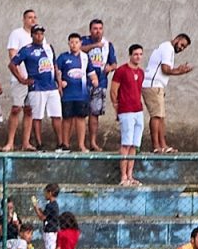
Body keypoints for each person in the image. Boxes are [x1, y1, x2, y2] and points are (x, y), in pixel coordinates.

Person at [11, 24, 64, 151]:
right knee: (37, 116)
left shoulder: (49, 47)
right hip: (37, 87)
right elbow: (12, 64)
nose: (39, 36)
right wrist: (21, 79)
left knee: (56, 115)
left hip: (51, 86)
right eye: (36, 33)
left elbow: (54, 66)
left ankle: (61, 143)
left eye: (41, 33)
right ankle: (39, 143)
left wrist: (59, 83)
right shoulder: (26, 49)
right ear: (32, 35)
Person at [4, 10, 50, 152]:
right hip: (21, 78)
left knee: (29, 110)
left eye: (35, 17)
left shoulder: (41, 39)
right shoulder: (17, 34)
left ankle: (26, 142)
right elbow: (13, 55)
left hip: (34, 81)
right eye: (30, 17)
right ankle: (10, 142)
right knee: (16, 108)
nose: (33, 20)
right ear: (24, 19)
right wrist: (20, 76)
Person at [143, 34, 193, 154]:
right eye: (182, 45)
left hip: (158, 85)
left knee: (161, 117)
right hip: (153, 85)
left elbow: (166, 70)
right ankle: (156, 146)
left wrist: (179, 71)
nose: (181, 48)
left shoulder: (166, 48)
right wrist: (180, 71)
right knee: (156, 116)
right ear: (177, 39)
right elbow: (166, 69)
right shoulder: (167, 48)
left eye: (184, 48)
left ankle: (163, 145)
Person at [109, 44, 147, 186]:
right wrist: (116, 107)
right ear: (130, 55)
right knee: (126, 144)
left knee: (134, 145)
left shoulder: (141, 72)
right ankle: (123, 176)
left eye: (140, 54)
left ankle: (130, 175)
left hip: (138, 110)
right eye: (135, 54)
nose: (138, 57)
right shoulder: (121, 71)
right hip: (126, 111)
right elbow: (113, 90)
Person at [57, 33, 99, 152]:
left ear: (80, 43)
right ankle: (65, 144)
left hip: (81, 94)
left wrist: (95, 80)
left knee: (81, 119)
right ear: (68, 43)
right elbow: (56, 72)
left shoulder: (85, 57)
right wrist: (60, 82)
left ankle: (81, 145)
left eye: (76, 42)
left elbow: (91, 72)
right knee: (67, 119)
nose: (74, 45)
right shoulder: (63, 57)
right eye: (71, 42)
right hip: (67, 95)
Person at [80, 19, 118, 152]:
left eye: (100, 28)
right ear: (90, 30)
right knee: (79, 114)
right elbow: (78, 49)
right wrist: (95, 45)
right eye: (95, 28)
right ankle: (80, 143)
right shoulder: (84, 40)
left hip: (100, 82)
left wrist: (110, 67)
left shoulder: (108, 45)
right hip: (83, 83)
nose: (98, 31)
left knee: (94, 114)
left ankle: (93, 142)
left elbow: (114, 63)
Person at [32, 182, 61, 249]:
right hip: (53, 229)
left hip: (50, 231)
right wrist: (39, 208)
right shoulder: (53, 205)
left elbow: (42, 217)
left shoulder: (50, 205)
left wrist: (35, 208)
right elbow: (46, 214)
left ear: (50, 193)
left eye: (46, 193)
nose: (44, 195)